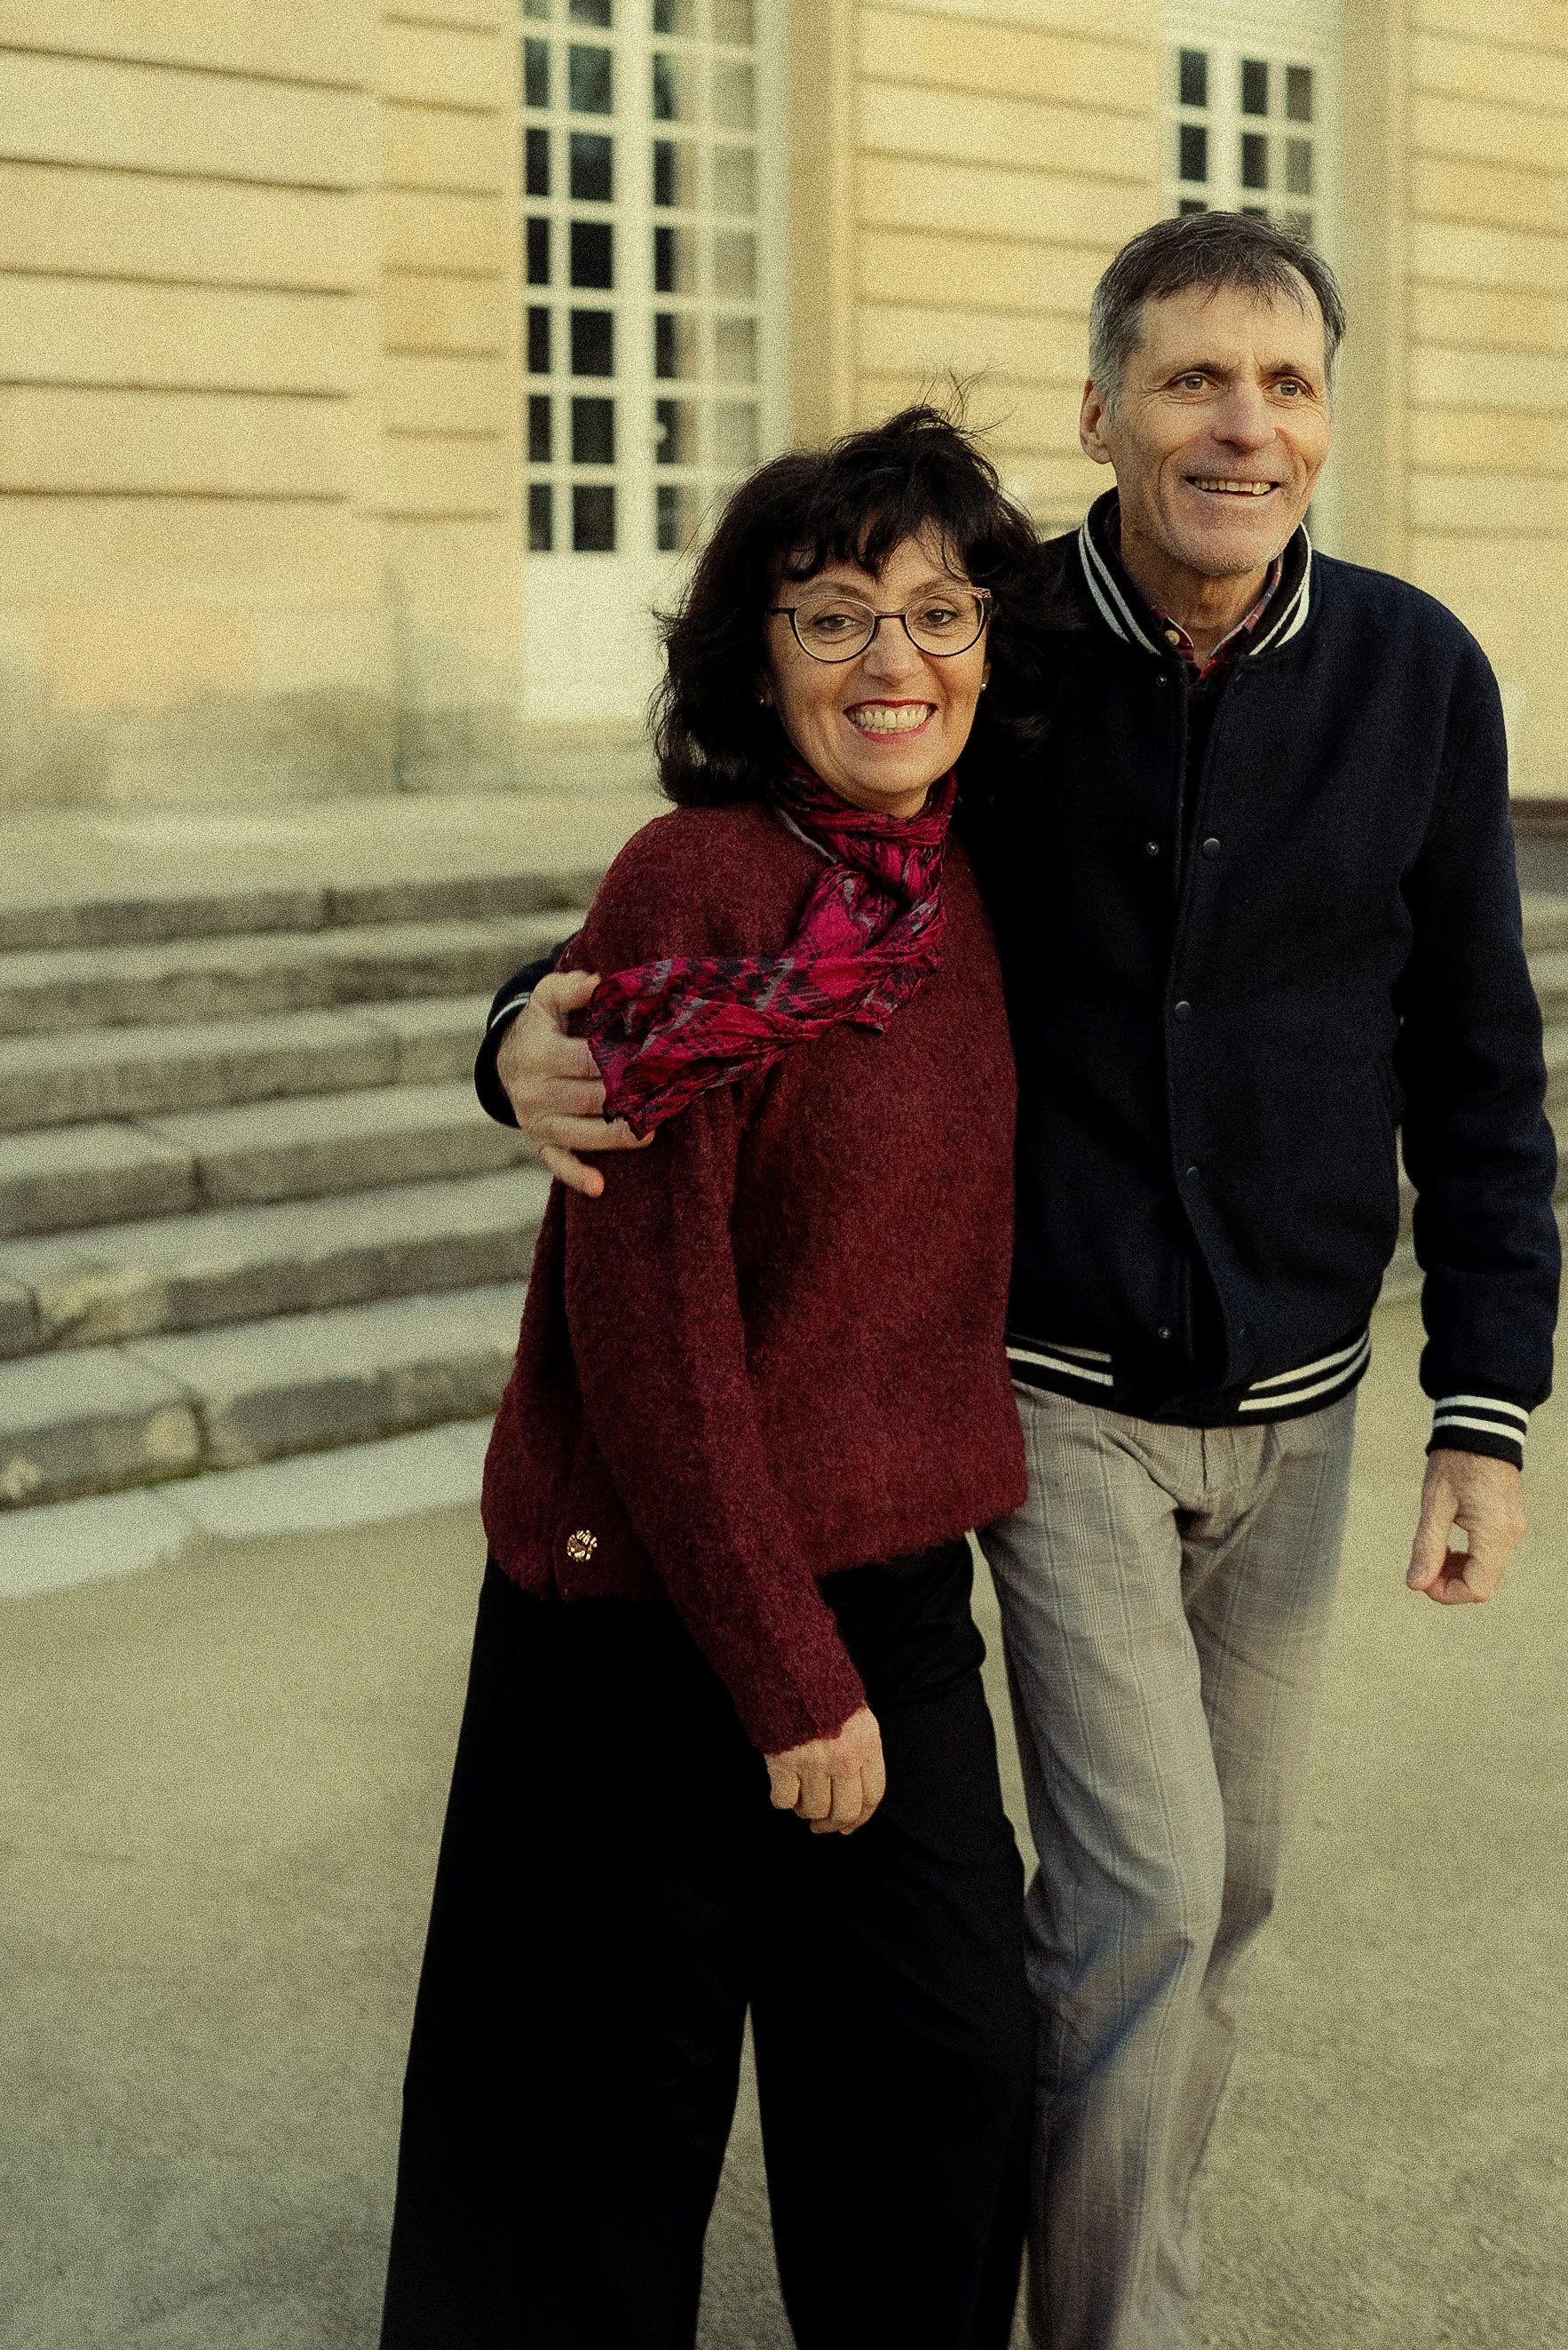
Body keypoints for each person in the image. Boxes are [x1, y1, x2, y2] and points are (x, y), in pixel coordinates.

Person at [485, 213, 1561, 2350]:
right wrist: (530, 1011)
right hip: (1050, 1396)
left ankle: (1096, 2286)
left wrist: (1486, 1401)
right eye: (1190, 381)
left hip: (1307, 1403)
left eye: (1283, 387)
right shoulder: (1004, 659)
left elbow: (1477, 1049)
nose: (1238, 428)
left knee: (1215, 1903)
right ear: (1103, 414)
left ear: (1328, 425)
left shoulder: (1420, 673)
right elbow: (780, 864)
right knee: (1148, 1893)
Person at [382, 407, 1059, 2350]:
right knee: (592, 2152)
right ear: (754, 654)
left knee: (939, 2075)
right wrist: (781, 1668)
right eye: (833, 617)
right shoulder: (691, 887)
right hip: (638, 1608)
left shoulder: (971, 891)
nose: (893, 664)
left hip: (890, 1585)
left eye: (937, 615)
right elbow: (651, 1326)